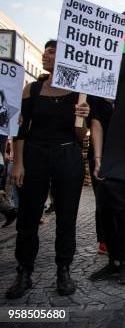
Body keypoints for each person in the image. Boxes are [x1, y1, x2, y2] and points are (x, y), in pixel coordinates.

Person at [6, 39, 90, 299]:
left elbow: (80, 134)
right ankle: (24, 271)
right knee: (28, 216)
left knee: (67, 215)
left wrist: (83, 115)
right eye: (45, 51)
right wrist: (18, 163)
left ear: (64, 57)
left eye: (52, 52)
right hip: (35, 155)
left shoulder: (79, 92)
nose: (45, 55)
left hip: (67, 154)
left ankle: (63, 270)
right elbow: (20, 129)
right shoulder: (31, 89)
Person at [87, 94, 125, 284]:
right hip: (101, 159)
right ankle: (112, 261)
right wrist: (98, 159)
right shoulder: (95, 97)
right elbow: (96, 124)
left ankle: (124, 263)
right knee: (104, 212)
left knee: (122, 212)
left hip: (124, 161)